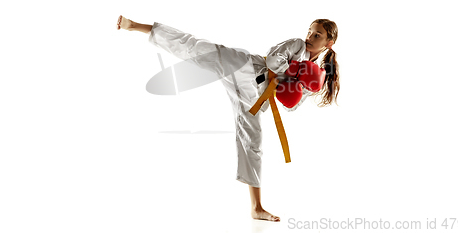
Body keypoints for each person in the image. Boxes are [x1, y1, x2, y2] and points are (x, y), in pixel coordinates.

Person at [116, 15, 340, 221]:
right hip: (243, 67)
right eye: (310, 31)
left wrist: (301, 83)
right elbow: (273, 61)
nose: (310, 36)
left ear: (329, 43)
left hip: (254, 96)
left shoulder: (314, 73)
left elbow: (291, 106)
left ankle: (257, 207)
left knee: (253, 143)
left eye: (317, 35)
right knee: (195, 47)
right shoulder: (297, 45)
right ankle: (136, 26)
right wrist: (296, 69)